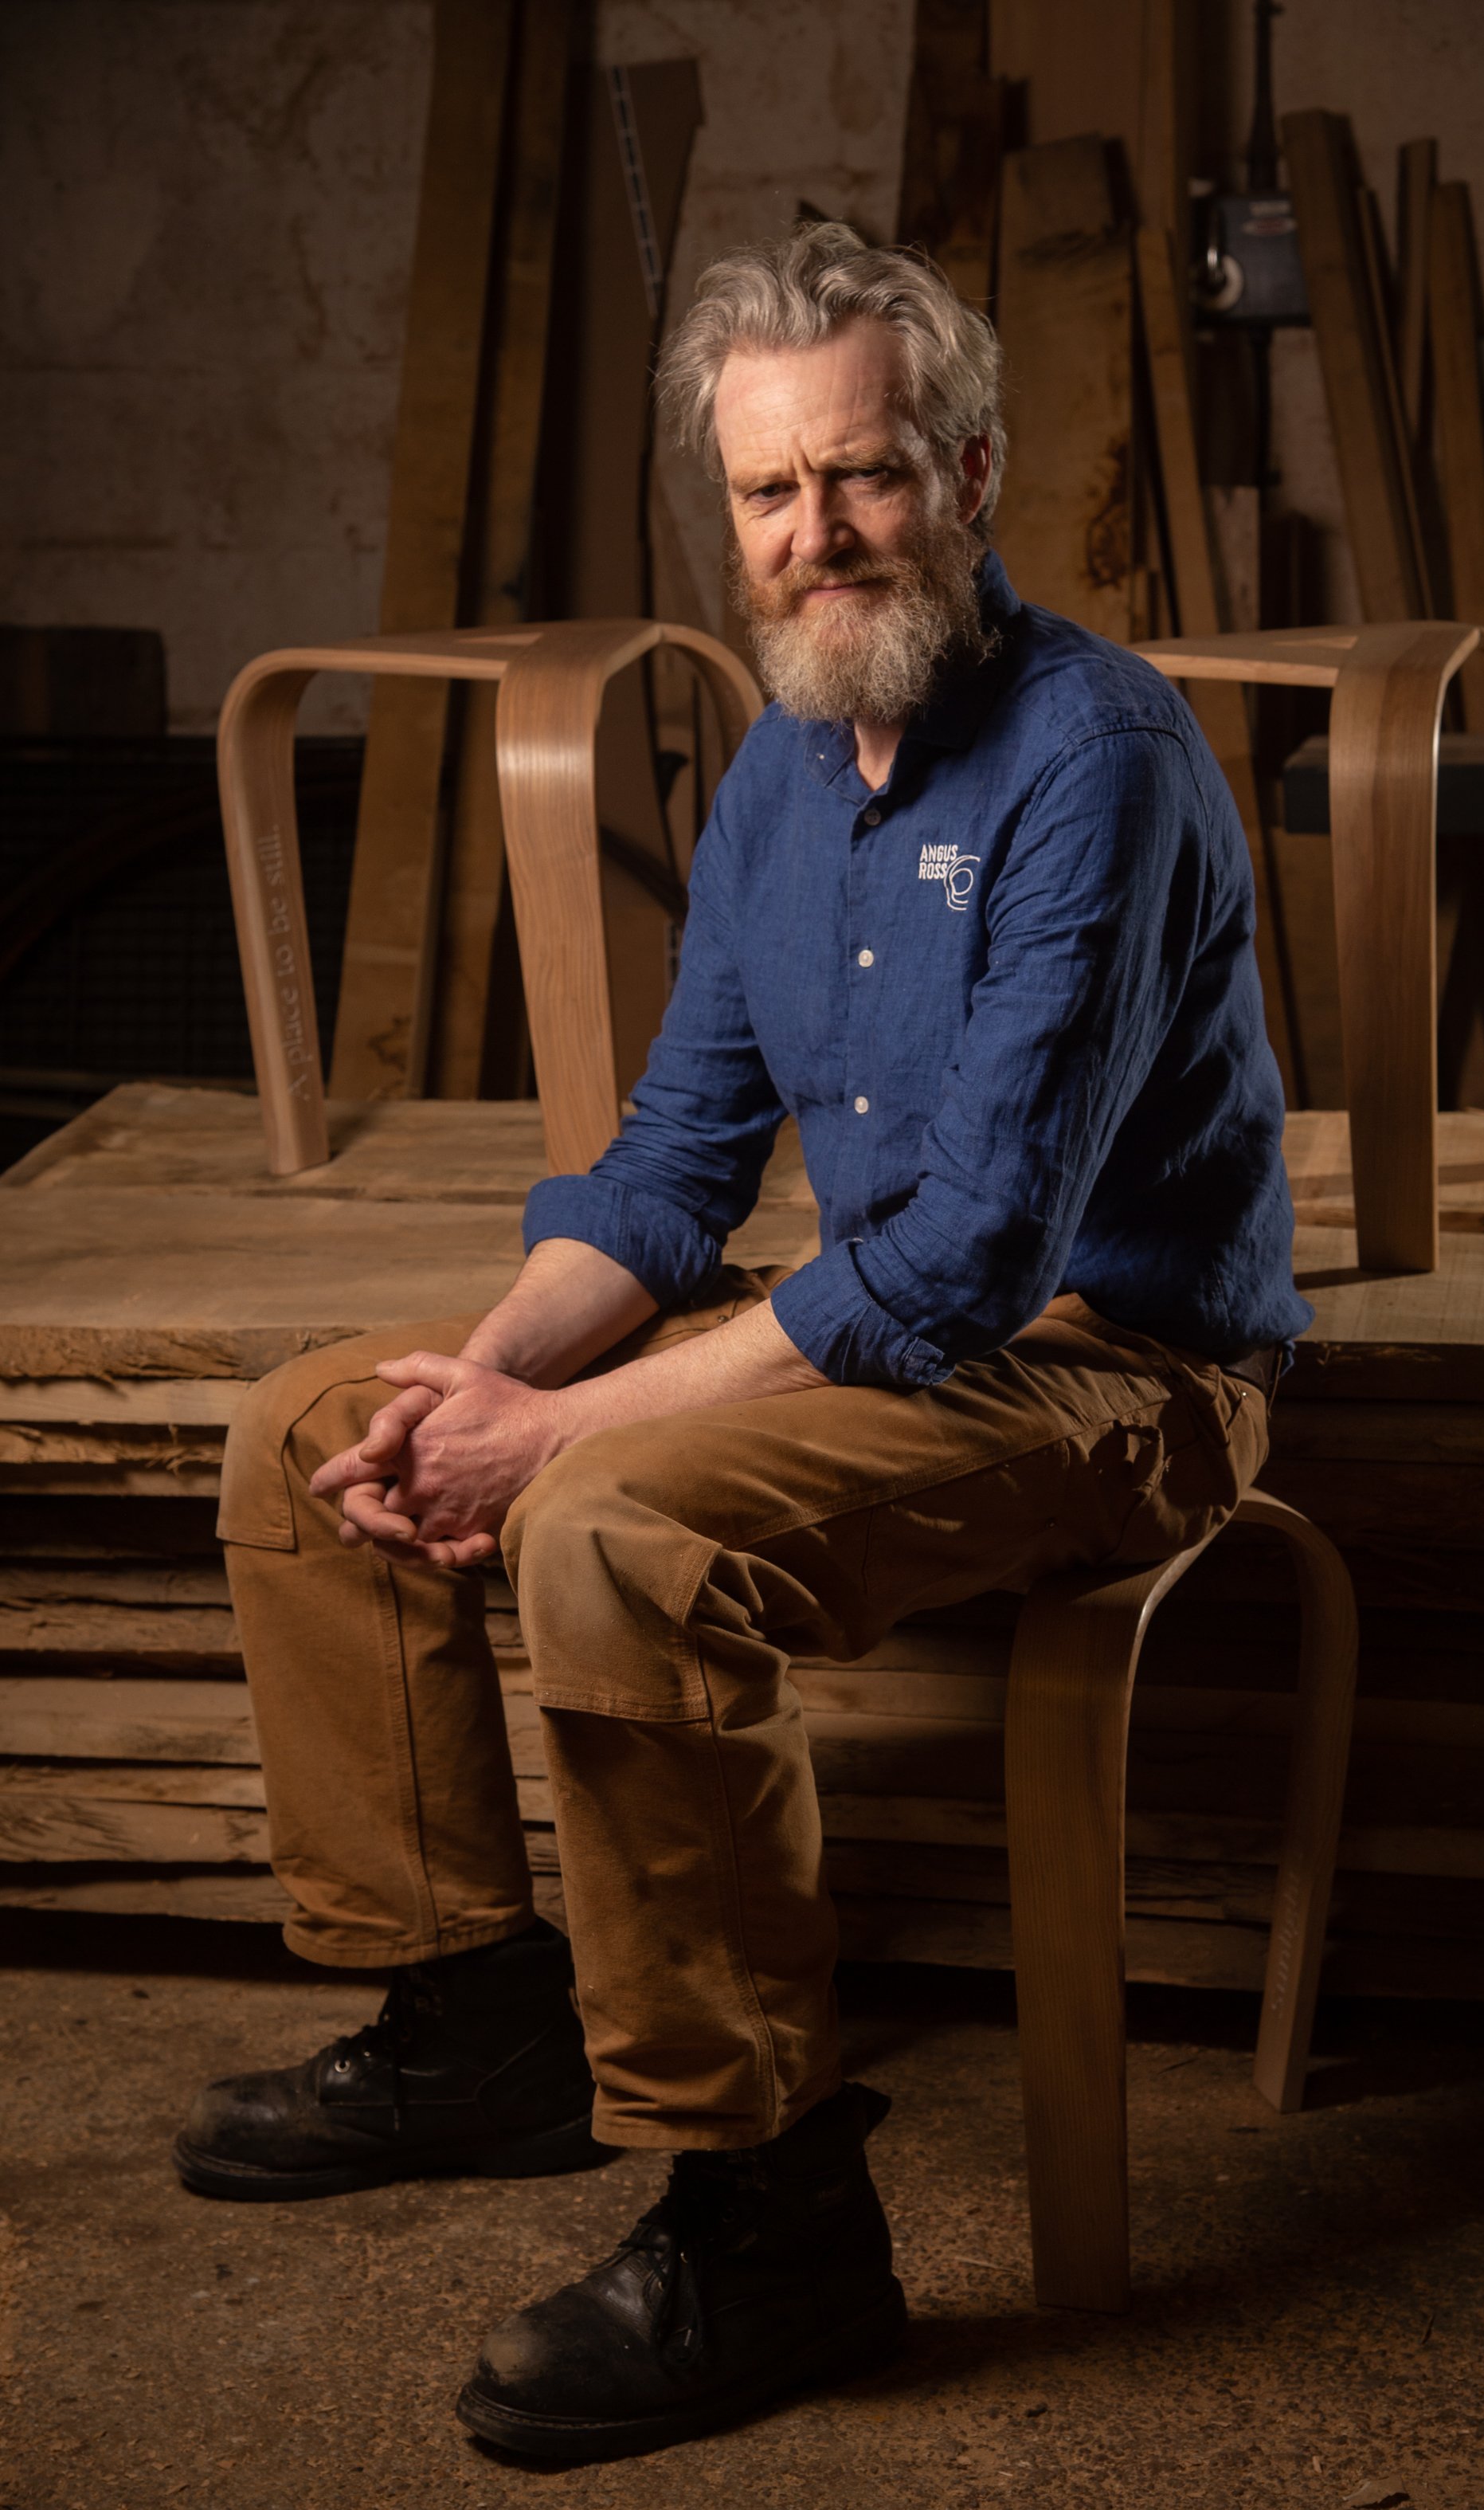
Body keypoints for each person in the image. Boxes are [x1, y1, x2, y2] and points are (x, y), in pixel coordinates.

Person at [176, 223, 1311, 2465]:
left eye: (866, 476)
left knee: (608, 1532)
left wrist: (561, 1436)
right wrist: (486, 1380)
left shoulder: (1099, 757)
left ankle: (767, 2203)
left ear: (969, 470)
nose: (818, 537)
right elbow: (673, 1166)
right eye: (772, 495)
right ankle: (473, 2021)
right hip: (885, 1326)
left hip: (1115, 1372)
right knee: (306, 1431)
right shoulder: (785, 773)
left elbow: (975, 1255)